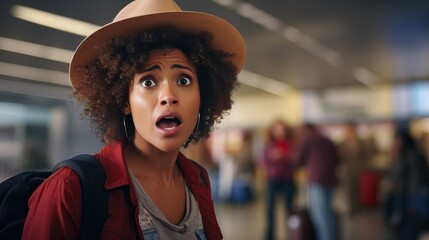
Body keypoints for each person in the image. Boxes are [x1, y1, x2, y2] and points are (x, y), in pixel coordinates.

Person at [22, 0, 246, 239]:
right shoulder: (70, 189)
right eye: (148, 82)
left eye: (183, 80)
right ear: (124, 101)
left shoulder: (199, 179)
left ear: (203, 94)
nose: (169, 96)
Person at [293, 123, 340, 240]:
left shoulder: (307, 139)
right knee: (328, 213)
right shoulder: (327, 140)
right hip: (331, 180)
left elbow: (296, 160)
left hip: (317, 181)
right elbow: (338, 160)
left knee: (320, 215)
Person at [385, 127, 429, 240]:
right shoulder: (400, 156)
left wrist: (412, 200)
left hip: (409, 200)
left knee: (408, 231)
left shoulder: (411, 156)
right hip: (403, 198)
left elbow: (413, 179)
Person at [261, 119, 296, 240]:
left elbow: (296, 161)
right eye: (277, 129)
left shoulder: (291, 144)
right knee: (270, 210)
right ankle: (269, 236)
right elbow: (262, 160)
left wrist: (285, 157)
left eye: (282, 129)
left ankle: (293, 234)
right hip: (272, 179)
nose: (280, 132)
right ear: (273, 131)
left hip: (288, 179)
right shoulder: (269, 144)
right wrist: (273, 157)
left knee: (290, 210)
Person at [337, 121, 376, 216]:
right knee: (349, 191)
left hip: (360, 170)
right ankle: (352, 209)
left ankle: (360, 207)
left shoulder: (362, 142)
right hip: (348, 171)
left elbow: (370, 153)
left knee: (360, 190)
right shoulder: (342, 143)